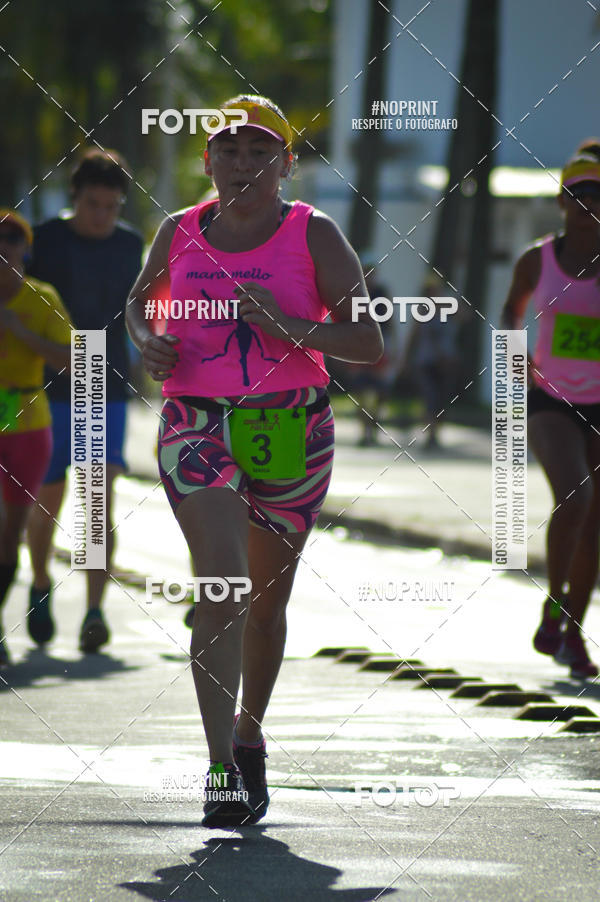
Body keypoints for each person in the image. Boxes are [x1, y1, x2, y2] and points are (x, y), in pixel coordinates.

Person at [126, 94, 383, 826]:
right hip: (197, 423)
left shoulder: (314, 233)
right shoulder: (179, 231)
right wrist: (149, 341)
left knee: (266, 607)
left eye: (259, 151)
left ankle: (247, 736)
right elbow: (139, 304)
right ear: (207, 161)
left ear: (285, 164)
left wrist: (291, 326)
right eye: (229, 150)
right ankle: (218, 772)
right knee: (222, 586)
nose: (243, 163)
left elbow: (367, 345)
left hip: (294, 429)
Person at [26, 149, 143, 653]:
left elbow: (141, 308)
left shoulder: (131, 244)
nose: (103, 215)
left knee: (98, 503)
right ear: (76, 198)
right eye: (94, 204)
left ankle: (95, 610)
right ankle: (37, 584)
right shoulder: (45, 239)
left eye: (112, 206)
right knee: (45, 496)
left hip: (106, 381)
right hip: (44, 385)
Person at [501, 154, 600, 679]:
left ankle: (572, 632)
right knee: (575, 494)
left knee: (595, 526)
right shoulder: (537, 261)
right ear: (562, 202)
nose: (590, 205)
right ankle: (555, 599)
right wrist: (518, 361)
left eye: (598, 196)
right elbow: (511, 311)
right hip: (551, 399)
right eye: (580, 194)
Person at [0, 209, 72, 667]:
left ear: (24, 249)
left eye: (12, 240)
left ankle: (29, 591)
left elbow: (72, 358)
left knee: (11, 535)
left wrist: (20, 331)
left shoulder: (40, 297)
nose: (3, 248)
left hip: (27, 423)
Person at [403, 272, 460, 450]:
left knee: (442, 399)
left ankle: (436, 432)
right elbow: (414, 335)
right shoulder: (422, 310)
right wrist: (405, 359)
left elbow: (465, 316)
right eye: (431, 291)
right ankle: (430, 434)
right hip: (426, 361)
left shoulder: (448, 308)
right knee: (430, 398)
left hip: (447, 362)